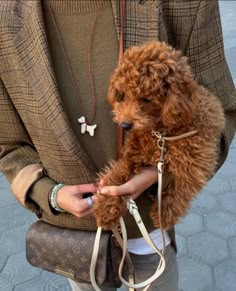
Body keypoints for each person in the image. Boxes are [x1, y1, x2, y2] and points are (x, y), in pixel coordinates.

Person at [0, 1, 235, 290]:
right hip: (76, 240)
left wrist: (162, 173)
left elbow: (221, 112)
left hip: (150, 231)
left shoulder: (185, 4)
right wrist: (48, 194)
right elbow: (8, 145)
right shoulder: (4, 19)